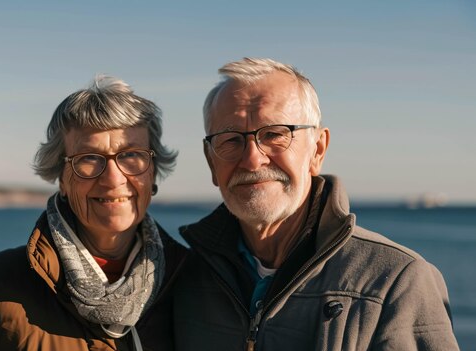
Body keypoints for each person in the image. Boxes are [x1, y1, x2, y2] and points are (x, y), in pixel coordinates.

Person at [173, 58, 459, 350]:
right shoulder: (182, 277)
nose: (252, 159)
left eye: (274, 134)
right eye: (231, 140)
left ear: (317, 150)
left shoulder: (394, 283)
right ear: (211, 161)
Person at [0, 75, 186, 351]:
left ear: (153, 171)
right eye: (88, 158)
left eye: (131, 155)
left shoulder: (192, 282)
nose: (113, 178)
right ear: (61, 178)